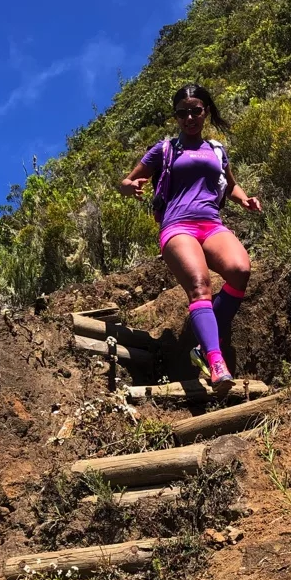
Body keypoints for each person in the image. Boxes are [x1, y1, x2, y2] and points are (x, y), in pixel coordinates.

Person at [118, 83, 262, 395]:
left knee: (240, 271)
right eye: (182, 113)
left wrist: (245, 199)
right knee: (200, 286)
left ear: (205, 111)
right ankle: (215, 361)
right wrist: (129, 186)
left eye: (195, 110)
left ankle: (206, 340)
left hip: (210, 223)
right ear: (176, 117)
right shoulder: (165, 149)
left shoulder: (217, 150)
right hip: (177, 226)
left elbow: (230, 185)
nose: (189, 117)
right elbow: (126, 180)